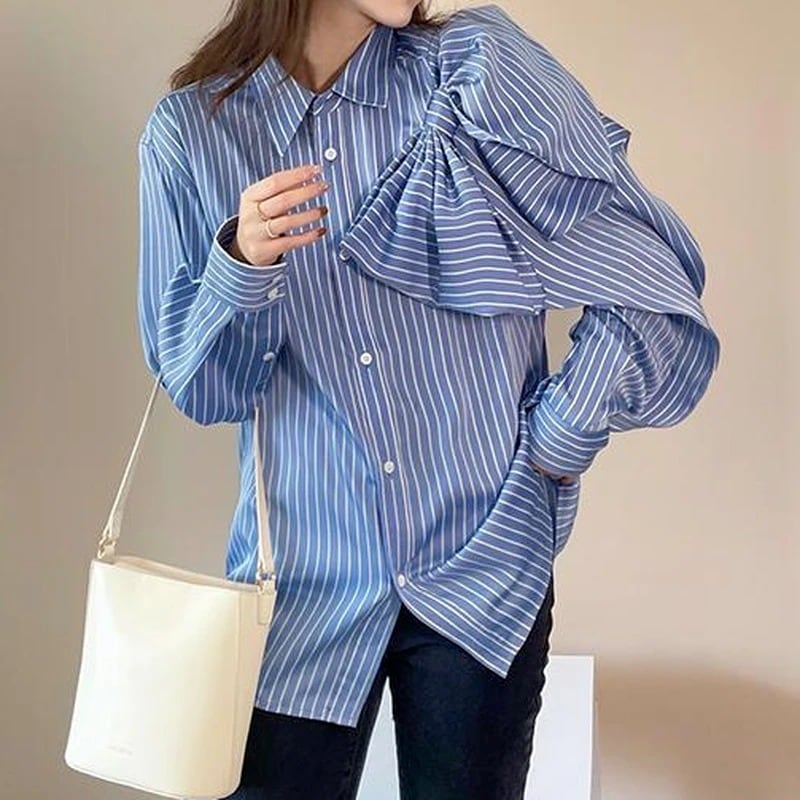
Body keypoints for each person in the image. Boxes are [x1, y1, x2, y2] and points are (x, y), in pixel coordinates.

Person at [137, 1, 720, 797]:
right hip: (301, 579)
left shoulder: (478, 77)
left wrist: (559, 438)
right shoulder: (192, 134)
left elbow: (648, 272)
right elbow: (207, 392)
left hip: (485, 559)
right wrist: (241, 263)